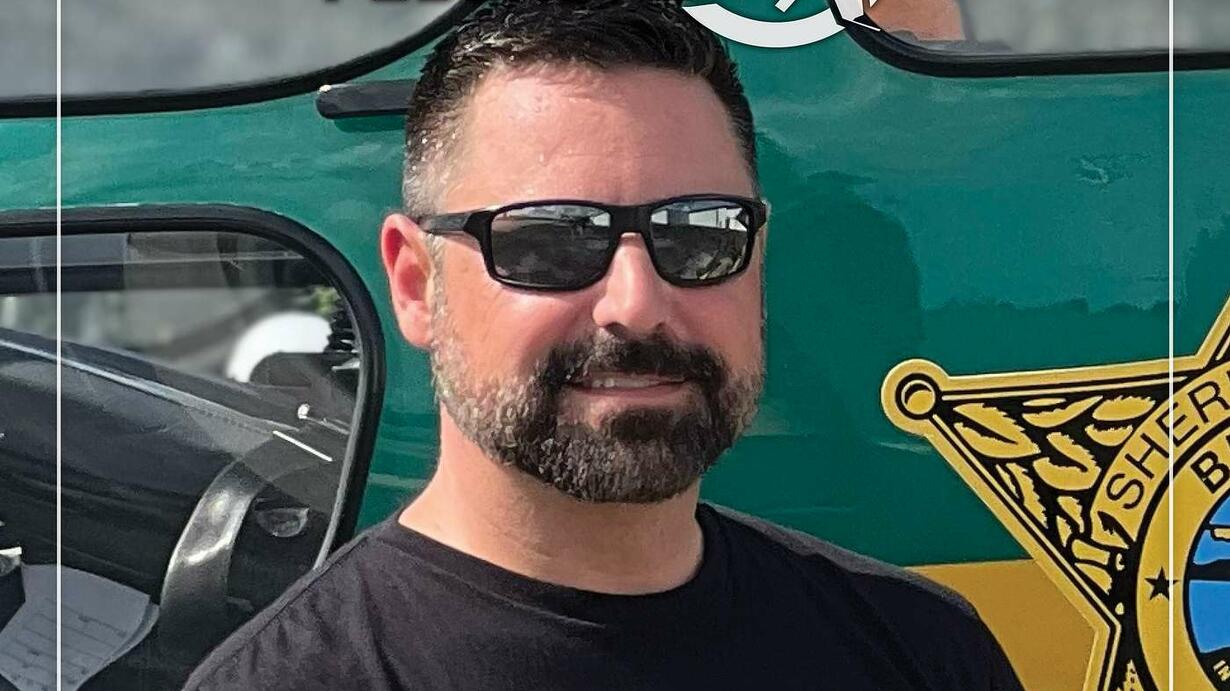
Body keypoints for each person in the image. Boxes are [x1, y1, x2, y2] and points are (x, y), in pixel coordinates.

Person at [184, 1, 1023, 689]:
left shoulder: (924, 651)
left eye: (700, 234)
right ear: (415, 283)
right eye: (549, 240)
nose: (637, 304)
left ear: (757, 263)